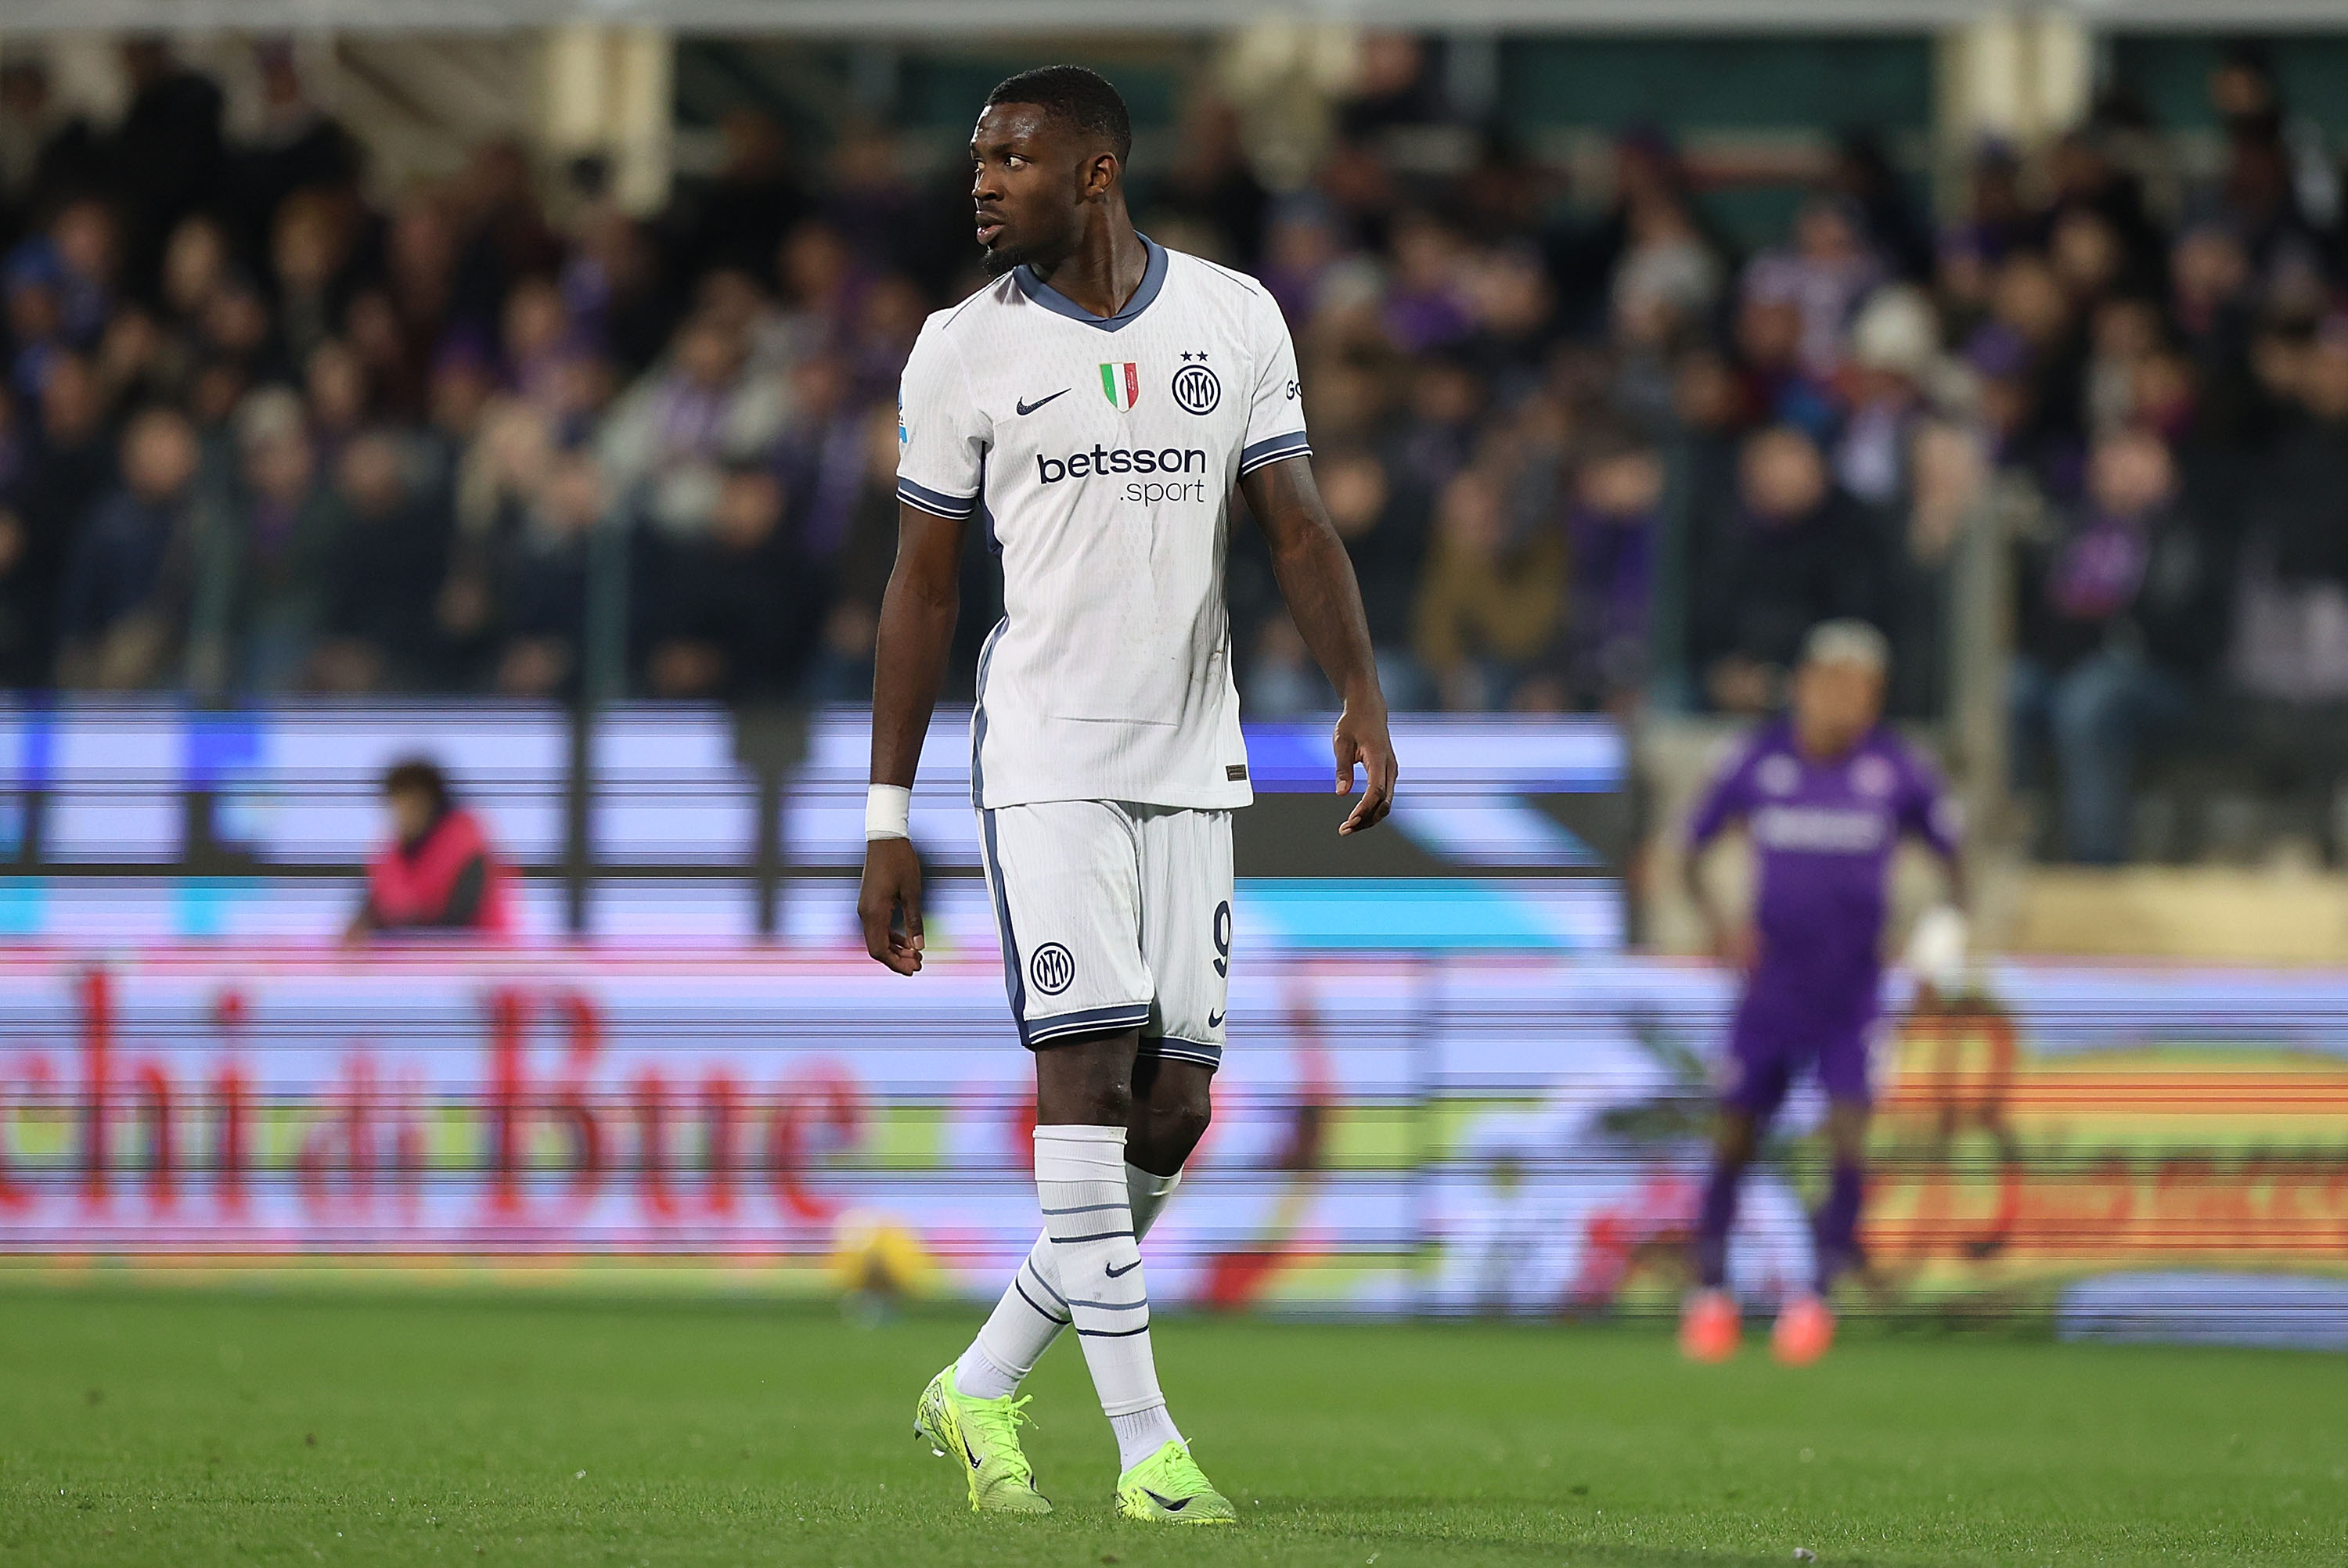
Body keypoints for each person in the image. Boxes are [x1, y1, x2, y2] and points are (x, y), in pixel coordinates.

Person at [859, 66, 1395, 1524]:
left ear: (1095, 172)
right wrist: (885, 813)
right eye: (978, 158)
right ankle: (1150, 1450)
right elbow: (917, 589)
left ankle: (977, 1381)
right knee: (1086, 1088)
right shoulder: (958, 350)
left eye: (1013, 159)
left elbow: (1294, 526)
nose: (981, 182)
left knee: (1173, 1107)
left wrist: (1358, 688)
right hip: (1044, 761)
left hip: (1191, 755)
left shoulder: (1233, 317)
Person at [1678, 620, 1963, 1365]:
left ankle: (1817, 1296)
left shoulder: (1897, 771)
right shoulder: (1758, 760)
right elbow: (1688, 850)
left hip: (1852, 991)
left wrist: (1938, 945)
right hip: (1772, 986)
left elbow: (1957, 863)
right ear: (1806, 684)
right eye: (1836, 683)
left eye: (1864, 688)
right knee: (1737, 1130)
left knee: (1846, 1135)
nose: (1849, 701)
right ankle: (1709, 1289)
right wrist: (1720, 927)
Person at [347, 758, 516, 941]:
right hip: (414, 961)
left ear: (430, 802)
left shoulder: (468, 846)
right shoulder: (392, 853)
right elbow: (372, 909)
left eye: (411, 804)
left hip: (480, 958)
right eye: (397, 805)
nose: (402, 814)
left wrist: (397, 926)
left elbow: (458, 922)